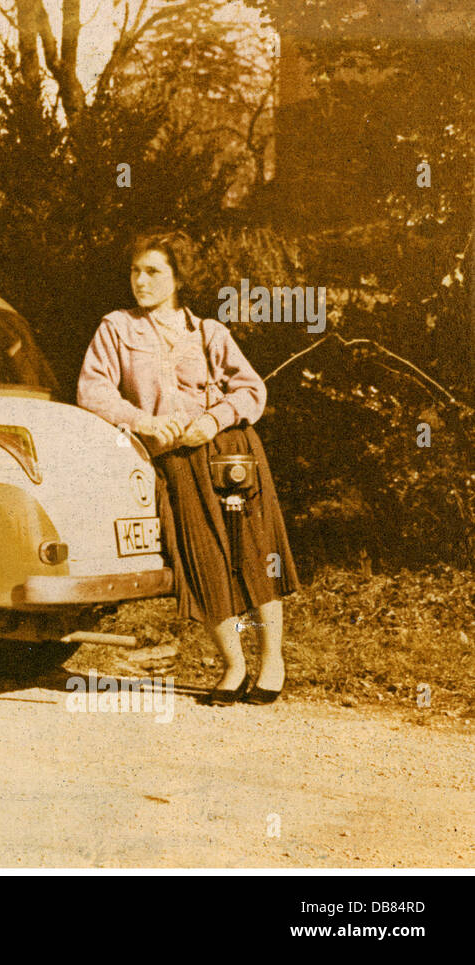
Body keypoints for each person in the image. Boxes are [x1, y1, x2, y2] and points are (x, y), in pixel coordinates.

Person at [76, 229, 299, 706]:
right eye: (135, 271)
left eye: (154, 272)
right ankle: (234, 667)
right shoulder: (116, 328)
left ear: (178, 278)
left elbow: (252, 391)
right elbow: (92, 392)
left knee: (257, 556)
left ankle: (272, 661)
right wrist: (145, 422)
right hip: (176, 462)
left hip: (232, 455)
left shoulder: (208, 332)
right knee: (205, 562)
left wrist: (213, 419)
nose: (141, 281)